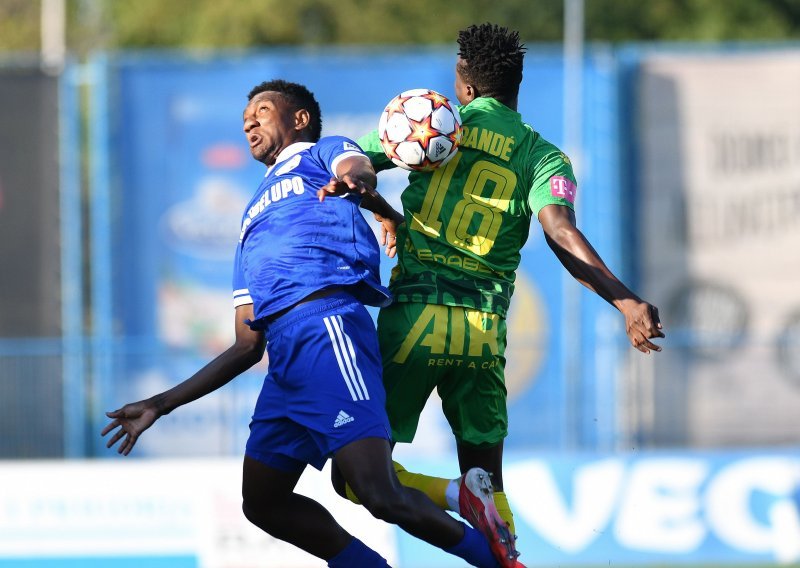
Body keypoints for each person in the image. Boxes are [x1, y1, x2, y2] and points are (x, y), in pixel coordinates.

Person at [101, 79, 519, 568]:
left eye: (260, 110)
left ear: (298, 118)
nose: (248, 122)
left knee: (375, 492)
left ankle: (494, 561)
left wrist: (365, 186)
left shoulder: (318, 153)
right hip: (285, 364)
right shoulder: (250, 217)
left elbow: (354, 167)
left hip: (328, 330)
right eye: (244, 119)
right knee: (263, 503)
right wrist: (160, 403)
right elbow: (243, 345)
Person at [326, 22, 664, 565]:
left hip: (414, 319)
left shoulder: (435, 126)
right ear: (518, 83)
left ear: (463, 83)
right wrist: (625, 300)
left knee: (353, 479)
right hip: (482, 332)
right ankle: (504, 551)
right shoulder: (544, 157)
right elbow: (560, 232)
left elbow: (355, 161)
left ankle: (454, 498)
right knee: (491, 481)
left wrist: (370, 192)